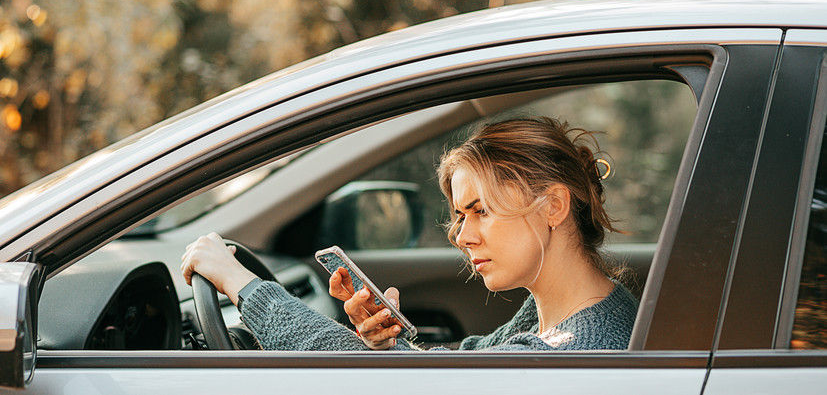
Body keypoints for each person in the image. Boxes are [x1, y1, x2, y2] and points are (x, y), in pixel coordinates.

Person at [181, 117, 639, 351]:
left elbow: (362, 384)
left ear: (554, 206)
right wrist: (391, 346)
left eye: (480, 211)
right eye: (460, 215)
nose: (462, 235)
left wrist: (242, 285)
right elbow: (463, 366)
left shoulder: (569, 349)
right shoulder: (581, 311)